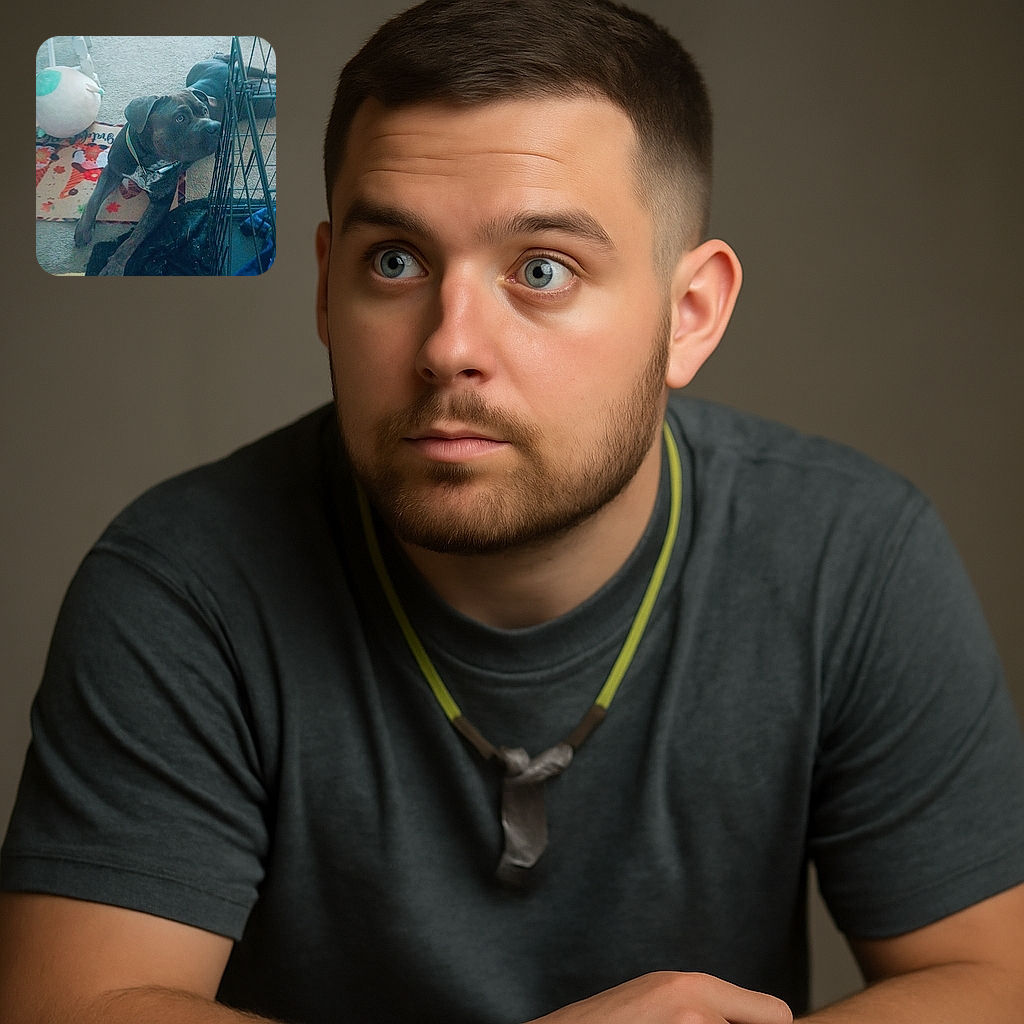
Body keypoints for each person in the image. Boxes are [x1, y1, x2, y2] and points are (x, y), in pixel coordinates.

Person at [2, 0, 1023, 1021]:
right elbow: (78, 1004)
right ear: (324, 290)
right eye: (394, 261)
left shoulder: (848, 552)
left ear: (689, 315)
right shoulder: (184, 581)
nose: (449, 345)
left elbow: (996, 976)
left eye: (542, 270)